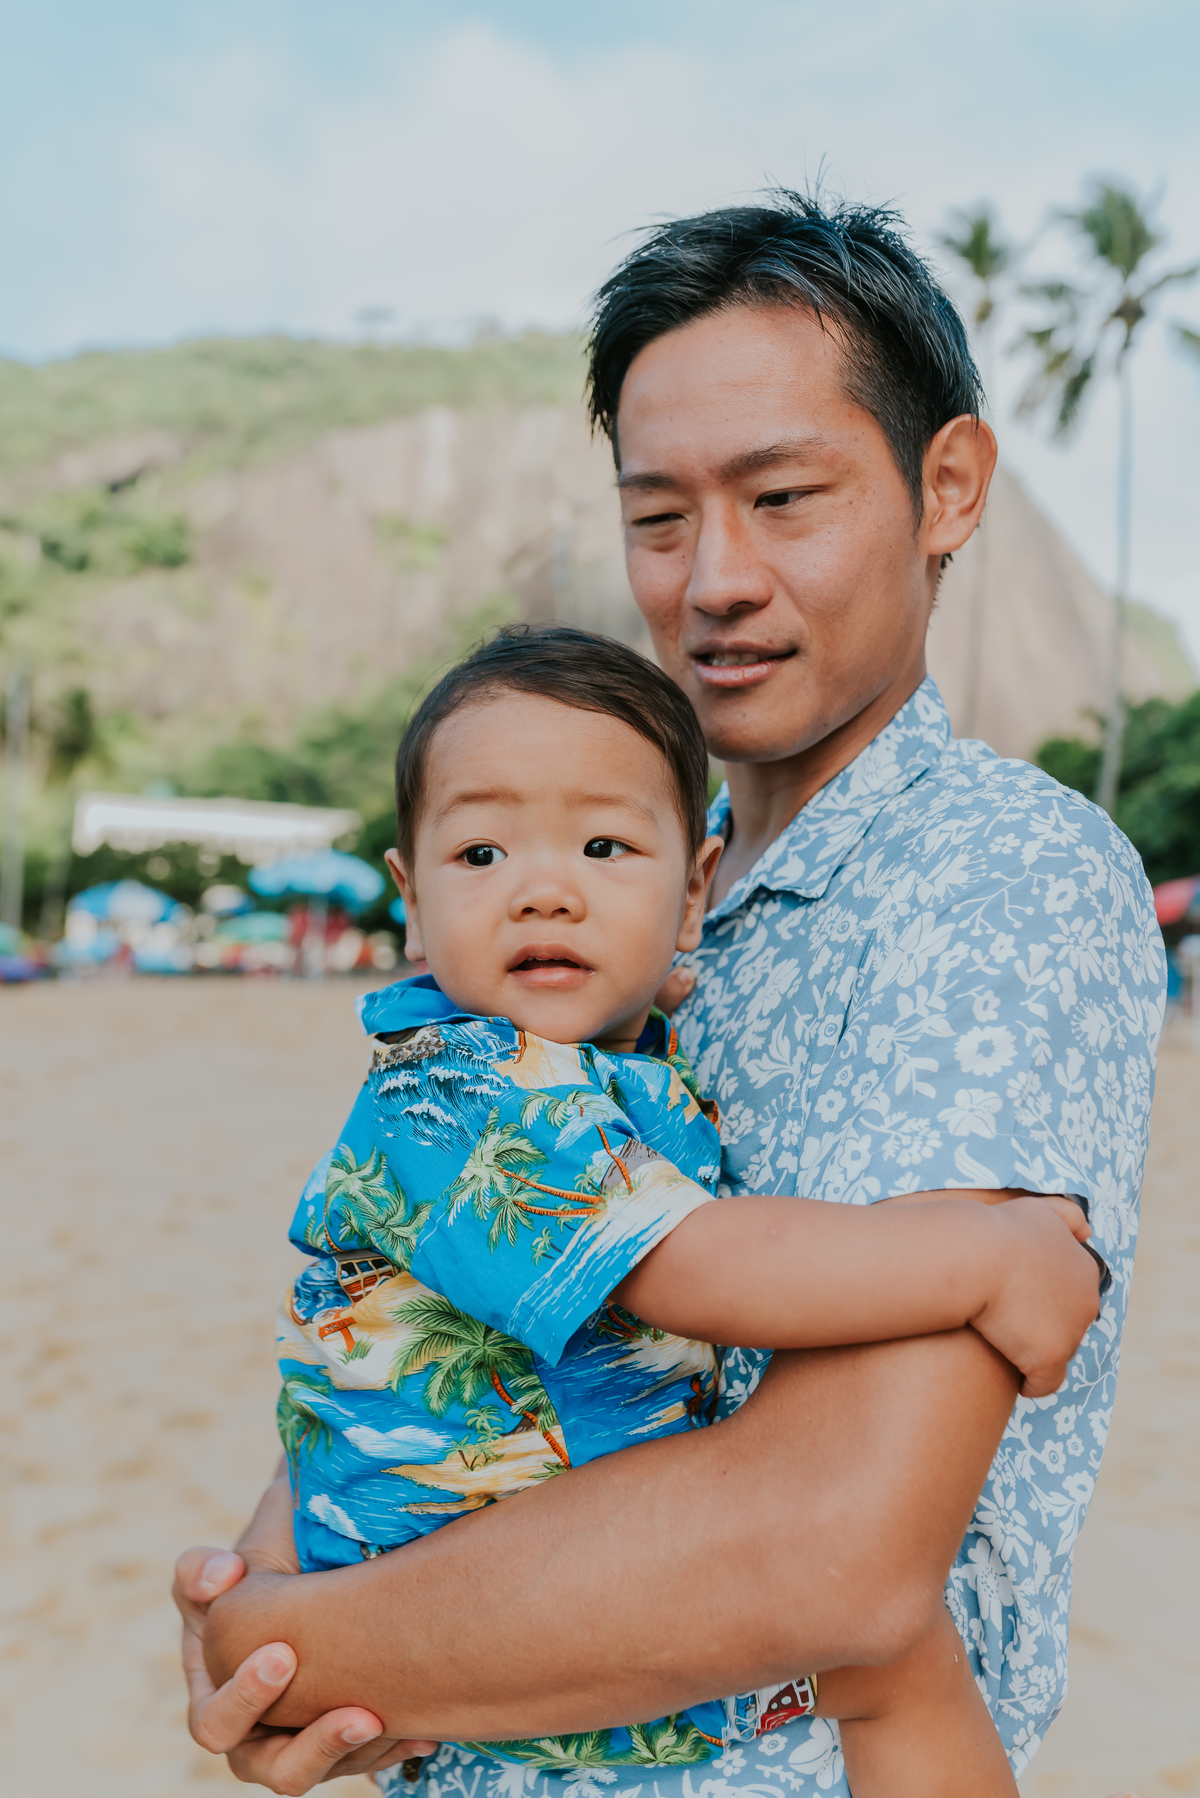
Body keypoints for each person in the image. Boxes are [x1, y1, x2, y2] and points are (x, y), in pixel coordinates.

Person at [175, 191, 1163, 1797]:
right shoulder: (621, 900)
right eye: (658, 517)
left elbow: (832, 1554)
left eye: (784, 499)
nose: (715, 579)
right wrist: (279, 1590)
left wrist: (306, 1643)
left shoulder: (994, 870)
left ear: (948, 487)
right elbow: (430, 1316)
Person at [272, 624, 1099, 1798]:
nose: (544, 890)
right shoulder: (448, 1089)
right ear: (412, 899)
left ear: (695, 888)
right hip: (480, 1601)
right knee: (896, 1662)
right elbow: (694, 1266)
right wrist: (986, 1256)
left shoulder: (617, 1060)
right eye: (481, 852)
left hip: (535, 1566)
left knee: (894, 1659)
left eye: (604, 846)